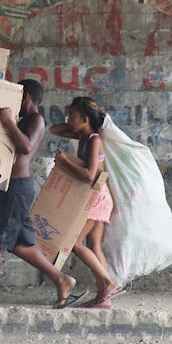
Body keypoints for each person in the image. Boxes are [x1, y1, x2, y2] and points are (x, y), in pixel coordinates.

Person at [0, 79, 85, 309]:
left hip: (16, 187)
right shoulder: (23, 120)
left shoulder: (36, 120)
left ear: (25, 97)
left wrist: (7, 122)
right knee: (19, 244)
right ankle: (62, 279)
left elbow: (25, 146)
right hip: (11, 186)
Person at [50, 96, 123, 309]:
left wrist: (64, 162)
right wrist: (76, 124)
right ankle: (104, 296)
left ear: (84, 118)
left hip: (96, 199)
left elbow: (90, 175)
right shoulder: (83, 135)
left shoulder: (94, 140)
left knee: (75, 242)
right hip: (98, 198)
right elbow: (55, 129)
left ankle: (108, 282)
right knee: (93, 245)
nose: (68, 119)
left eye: (72, 115)